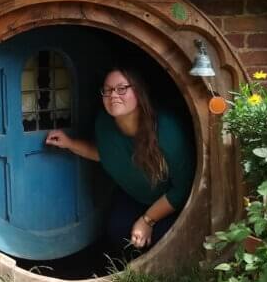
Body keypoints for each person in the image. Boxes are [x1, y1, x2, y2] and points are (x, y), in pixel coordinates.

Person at [45, 67, 195, 254]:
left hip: (170, 202)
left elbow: (183, 188)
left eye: (121, 88)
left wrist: (147, 220)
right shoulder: (104, 123)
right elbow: (106, 154)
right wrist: (69, 143)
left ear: (138, 92)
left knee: (166, 240)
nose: (113, 95)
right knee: (118, 232)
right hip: (136, 197)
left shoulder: (167, 129)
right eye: (107, 90)